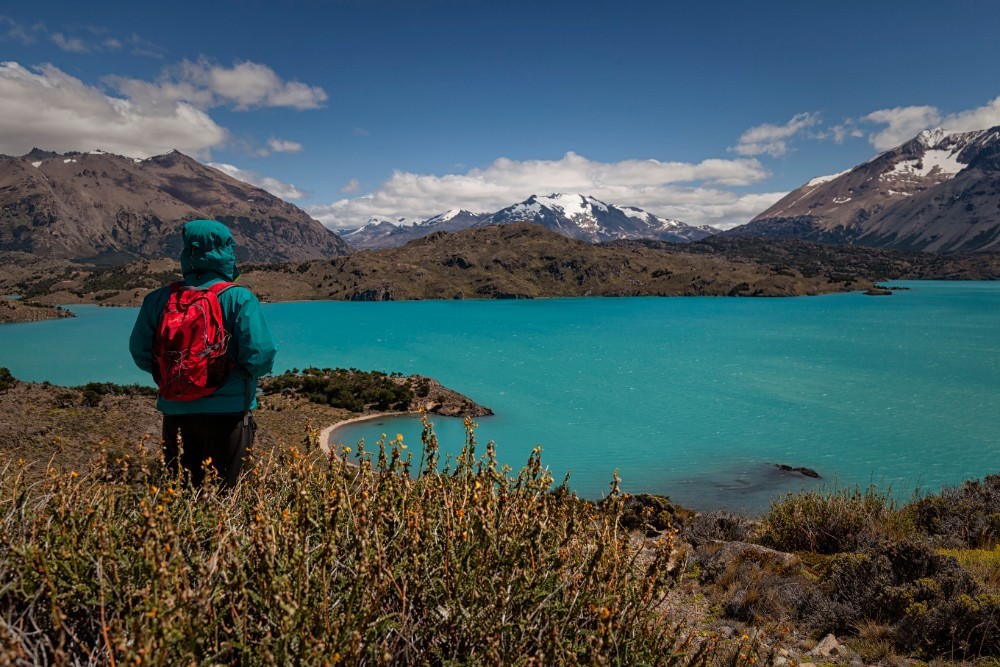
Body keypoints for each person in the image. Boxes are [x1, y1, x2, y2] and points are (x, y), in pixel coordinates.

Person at [129, 219, 277, 488]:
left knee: (182, 494)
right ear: (226, 252)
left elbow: (140, 353)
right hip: (229, 415)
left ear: (188, 252)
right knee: (227, 496)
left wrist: (176, 374)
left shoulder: (158, 299)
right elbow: (260, 357)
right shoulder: (238, 298)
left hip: (175, 413)